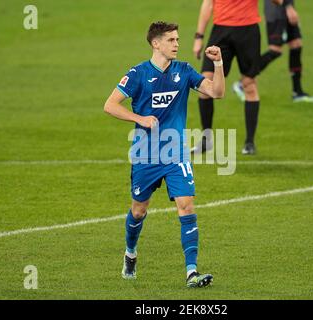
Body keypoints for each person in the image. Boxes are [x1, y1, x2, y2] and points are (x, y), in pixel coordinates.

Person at [103, 21, 225, 288]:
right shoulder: (137, 74)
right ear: (155, 43)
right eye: (171, 40)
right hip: (145, 154)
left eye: (178, 39)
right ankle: (130, 253)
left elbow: (217, 92)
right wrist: (140, 118)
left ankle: (191, 272)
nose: (177, 44)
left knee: (187, 205)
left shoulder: (184, 70)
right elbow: (109, 105)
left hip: (175, 152)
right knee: (138, 211)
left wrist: (218, 64)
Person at [192, 0, 262, 155]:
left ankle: (250, 142)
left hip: (248, 30)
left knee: (249, 84)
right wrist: (199, 36)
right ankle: (206, 139)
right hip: (221, 31)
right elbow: (208, 3)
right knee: (204, 86)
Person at [233, 0, 313, 103]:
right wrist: (288, 7)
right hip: (276, 12)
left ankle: (297, 93)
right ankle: (243, 83)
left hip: (287, 9)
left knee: (296, 45)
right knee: (275, 50)